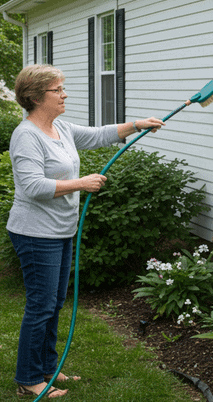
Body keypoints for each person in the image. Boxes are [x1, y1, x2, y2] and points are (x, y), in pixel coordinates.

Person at [7, 64, 165, 398]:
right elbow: (33, 186)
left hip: (61, 230)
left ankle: (48, 367)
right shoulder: (26, 136)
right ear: (35, 97)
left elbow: (96, 135)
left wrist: (137, 124)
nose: (64, 94)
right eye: (57, 90)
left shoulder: (59, 127)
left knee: (54, 304)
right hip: (36, 234)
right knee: (41, 306)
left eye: (62, 88)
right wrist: (82, 183)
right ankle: (28, 378)